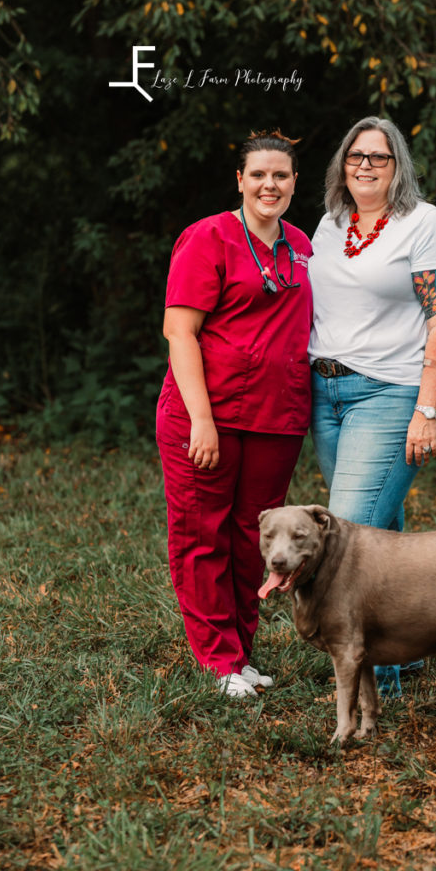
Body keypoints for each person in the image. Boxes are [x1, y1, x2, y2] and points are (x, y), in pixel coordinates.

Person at [308, 115, 436, 697]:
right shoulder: (330, 224)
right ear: (341, 166)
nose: (366, 165)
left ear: (398, 165)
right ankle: (402, 660)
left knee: (346, 536)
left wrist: (427, 409)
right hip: (324, 393)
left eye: (379, 156)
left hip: (389, 393)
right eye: (355, 156)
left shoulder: (424, 224)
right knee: (381, 532)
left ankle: (373, 681)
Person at [156, 130, 312, 698]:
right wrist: (201, 418)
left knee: (256, 539)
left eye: (282, 175)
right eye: (259, 174)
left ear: (295, 183)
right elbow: (181, 332)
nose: (270, 184)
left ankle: (242, 653)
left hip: (277, 417)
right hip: (208, 414)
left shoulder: (301, 244)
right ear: (240, 180)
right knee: (203, 534)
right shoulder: (209, 237)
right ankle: (217, 661)